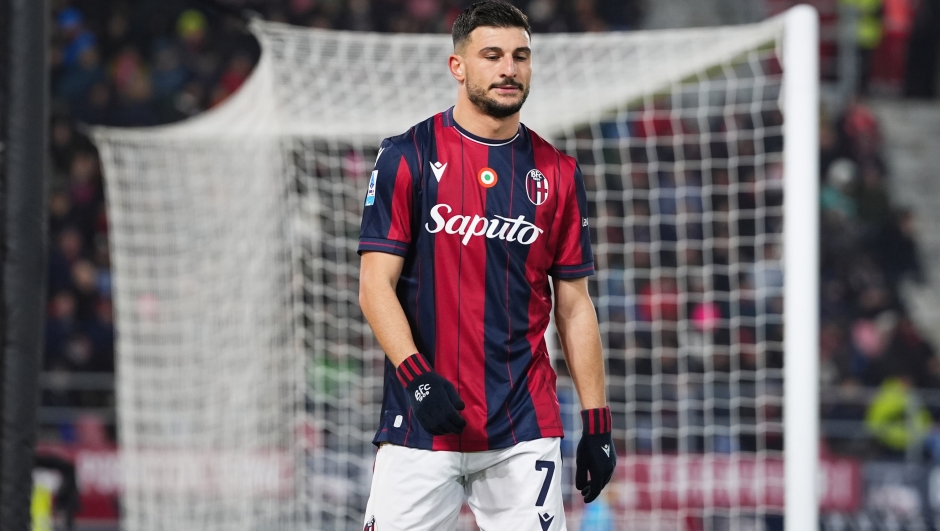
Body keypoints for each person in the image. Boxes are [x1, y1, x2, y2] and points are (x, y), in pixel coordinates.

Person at [357, 2, 616, 530]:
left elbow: (574, 305)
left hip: (523, 426)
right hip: (421, 422)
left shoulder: (559, 173)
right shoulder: (405, 156)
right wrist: (418, 380)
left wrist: (597, 422)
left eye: (520, 56)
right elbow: (373, 287)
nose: (508, 69)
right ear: (459, 66)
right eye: (492, 55)